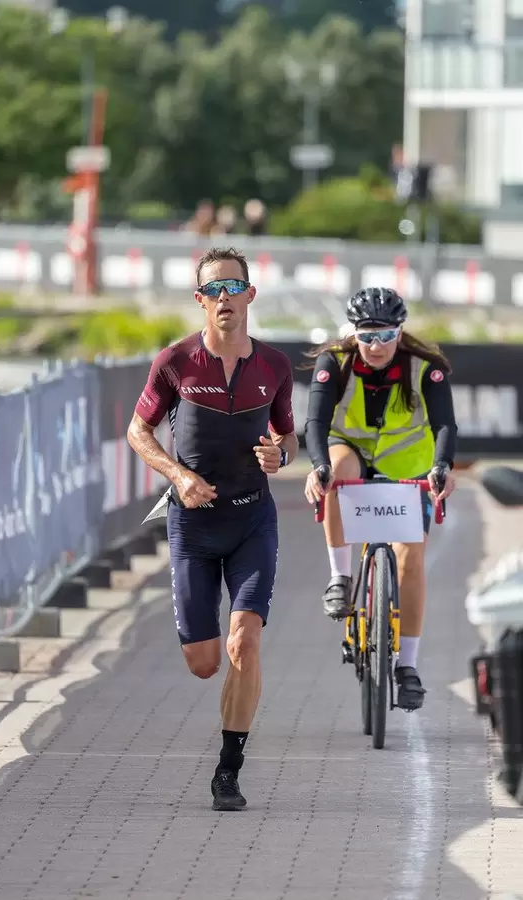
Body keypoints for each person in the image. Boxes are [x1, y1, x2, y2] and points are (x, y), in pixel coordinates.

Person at [127, 247, 299, 811]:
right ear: (200, 300)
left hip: (253, 519)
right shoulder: (175, 362)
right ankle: (222, 687)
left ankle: (229, 769)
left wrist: (281, 456)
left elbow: (287, 438)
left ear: (251, 295)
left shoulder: (274, 366)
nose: (224, 300)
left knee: (244, 642)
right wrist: (177, 475)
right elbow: (138, 432)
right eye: (213, 291)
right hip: (195, 527)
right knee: (205, 663)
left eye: (234, 288)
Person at [303, 287, 457, 711]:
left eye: (386, 336)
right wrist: (318, 466)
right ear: (353, 334)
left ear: (400, 332)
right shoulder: (333, 362)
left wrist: (442, 466)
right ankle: (341, 577)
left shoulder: (425, 367)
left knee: (411, 559)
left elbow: (445, 424)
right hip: (350, 451)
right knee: (336, 471)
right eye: (366, 336)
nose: (375, 346)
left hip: (408, 466)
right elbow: (315, 421)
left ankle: (407, 667)